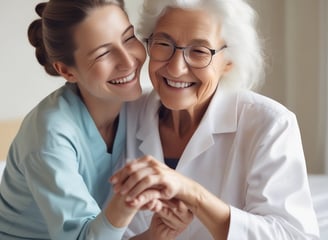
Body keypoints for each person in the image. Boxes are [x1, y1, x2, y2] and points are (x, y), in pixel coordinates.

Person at [110, 0, 321, 239]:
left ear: (229, 62)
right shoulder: (122, 114)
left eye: (199, 51)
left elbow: (294, 235)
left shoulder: (270, 124)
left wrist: (194, 195)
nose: (176, 68)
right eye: (163, 44)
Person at [0, 0, 171, 239]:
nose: (128, 61)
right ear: (66, 71)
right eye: (103, 53)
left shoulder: (135, 106)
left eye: (128, 38)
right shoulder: (50, 137)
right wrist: (128, 201)